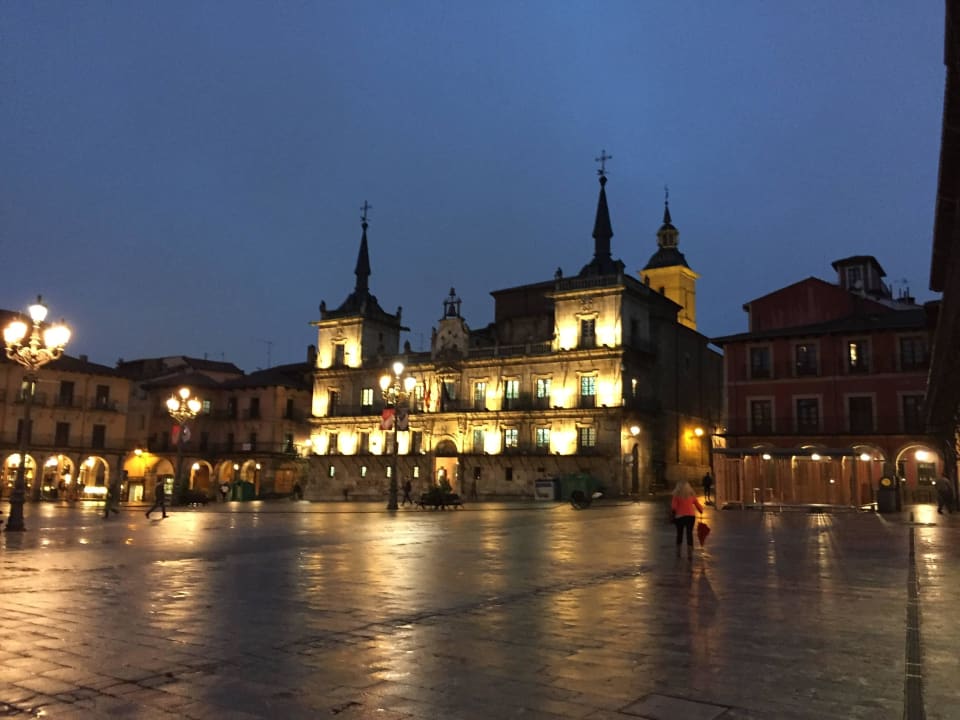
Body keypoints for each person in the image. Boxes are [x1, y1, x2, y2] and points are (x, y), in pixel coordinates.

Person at [671, 480, 704, 559]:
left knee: (679, 533)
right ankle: (690, 553)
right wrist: (701, 510)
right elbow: (698, 505)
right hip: (690, 516)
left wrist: (674, 512)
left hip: (679, 517)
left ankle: (678, 552)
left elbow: (673, 507)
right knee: (689, 533)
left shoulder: (676, 495)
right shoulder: (691, 495)